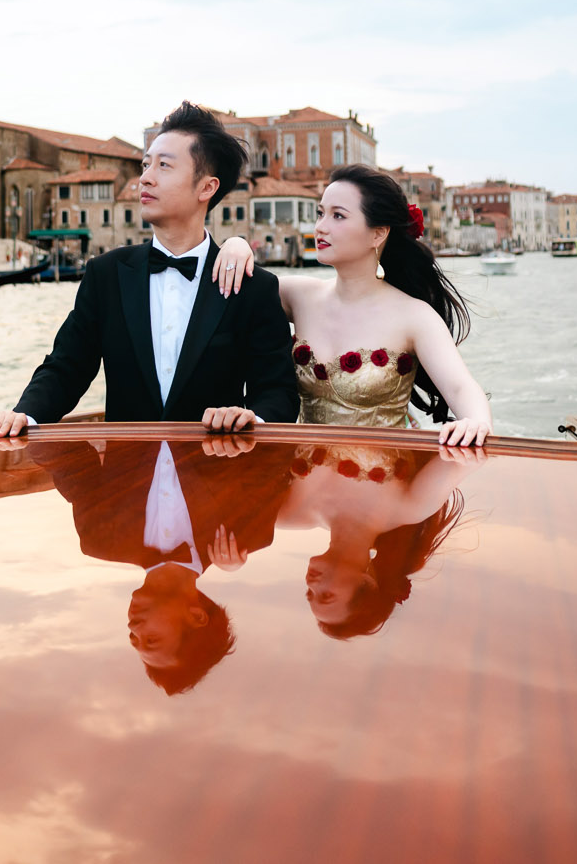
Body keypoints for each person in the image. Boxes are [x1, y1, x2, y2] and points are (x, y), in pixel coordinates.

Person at [0, 101, 299, 436]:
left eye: (164, 166)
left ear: (207, 187)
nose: (144, 179)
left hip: (217, 473)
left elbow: (278, 392)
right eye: (145, 165)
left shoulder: (253, 286)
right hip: (125, 475)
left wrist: (251, 419)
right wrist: (25, 415)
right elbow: (66, 368)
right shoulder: (105, 275)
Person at [213, 164, 492, 445]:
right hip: (305, 479)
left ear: (378, 234)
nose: (320, 227)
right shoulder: (297, 295)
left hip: (385, 481)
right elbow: (244, 292)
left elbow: (459, 387)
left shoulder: (415, 316)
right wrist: (236, 244)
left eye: (338, 216)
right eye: (320, 214)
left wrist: (477, 421)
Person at [29, 432, 293, 692]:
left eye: (134, 638)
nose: (133, 627)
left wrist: (24, 424)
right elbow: (277, 444)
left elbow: (67, 458)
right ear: (197, 616)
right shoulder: (246, 534)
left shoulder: (100, 539)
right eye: (151, 639)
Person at [278, 443, 475, 638]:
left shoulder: (288, 514)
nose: (312, 584)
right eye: (326, 596)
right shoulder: (412, 507)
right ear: (367, 583)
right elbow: (470, 451)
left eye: (309, 593)